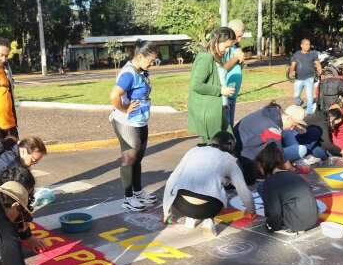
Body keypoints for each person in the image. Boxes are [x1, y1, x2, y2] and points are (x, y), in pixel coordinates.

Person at [163, 132, 255, 236]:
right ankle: (208, 221)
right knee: (220, 186)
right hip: (209, 208)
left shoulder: (193, 150)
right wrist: (251, 210)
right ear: (231, 145)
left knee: (191, 186)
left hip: (181, 205)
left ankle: (191, 219)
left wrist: (166, 212)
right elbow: (242, 189)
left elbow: (172, 179)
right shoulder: (229, 160)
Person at [109, 39, 159, 212]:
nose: (152, 64)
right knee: (129, 158)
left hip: (140, 121)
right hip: (126, 123)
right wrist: (124, 108)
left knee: (137, 158)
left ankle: (138, 193)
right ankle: (128, 198)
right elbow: (114, 95)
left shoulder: (141, 71)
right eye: (151, 60)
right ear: (140, 56)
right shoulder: (129, 74)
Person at [256, 143, 319, 235]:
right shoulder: (294, 176)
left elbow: (275, 212)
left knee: (262, 187)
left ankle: (287, 225)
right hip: (313, 220)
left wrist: (271, 226)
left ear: (265, 165)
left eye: (259, 166)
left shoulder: (270, 182)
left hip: (297, 224)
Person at [188, 27, 237, 142]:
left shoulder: (216, 58)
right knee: (216, 148)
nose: (227, 50)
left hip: (220, 108)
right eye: (226, 46)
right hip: (211, 112)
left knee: (229, 144)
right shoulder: (206, 58)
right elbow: (196, 85)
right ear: (217, 41)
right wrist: (221, 90)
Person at [235, 103, 308, 167]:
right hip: (248, 158)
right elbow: (281, 159)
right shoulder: (273, 130)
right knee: (302, 149)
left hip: (242, 145)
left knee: (289, 132)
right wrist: (293, 170)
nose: (292, 128)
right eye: (293, 125)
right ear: (288, 118)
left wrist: (296, 127)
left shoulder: (273, 111)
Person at [222, 20, 247, 127]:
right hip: (226, 93)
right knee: (226, 126)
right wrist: (236, 57)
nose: (240, 39)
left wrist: (241, 62)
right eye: (238, 36)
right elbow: (223, 68)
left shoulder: (236, 47)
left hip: (233, 94)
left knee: (230, 125)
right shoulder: (225, 48)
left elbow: (236, 67)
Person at [289, 39, 323, 114]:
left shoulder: (313, 53)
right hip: (299, 79)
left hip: (309, 78)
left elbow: (317, 63)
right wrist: (291, 71)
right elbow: (293, 65)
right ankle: (299, 103)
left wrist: (320, 70)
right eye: (306, 44)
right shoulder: (296, 54)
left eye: (309, 44)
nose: (308, 46)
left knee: (309, 96)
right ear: (301, 45)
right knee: (296, 95)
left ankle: (309, 111)